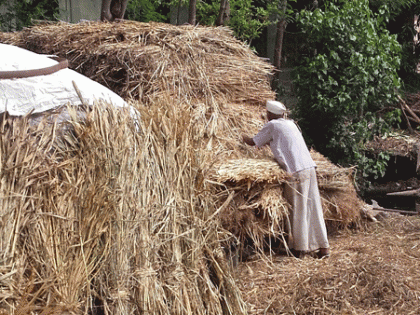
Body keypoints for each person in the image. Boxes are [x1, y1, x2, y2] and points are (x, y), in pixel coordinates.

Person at [242, 100, 330, 259]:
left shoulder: (273, 125)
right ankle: (324, 248)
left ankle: (300, 249)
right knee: (313, 207)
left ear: (269, 114)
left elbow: (253, 142)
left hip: (295, 171)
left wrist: (238, 136)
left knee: (297, 209)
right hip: (309, 167)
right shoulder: (291, 124)